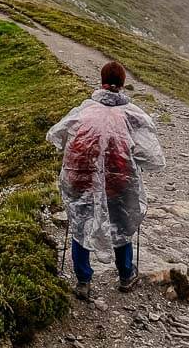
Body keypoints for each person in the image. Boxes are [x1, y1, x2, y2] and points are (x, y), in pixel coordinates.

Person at [46, 60, 165, 299]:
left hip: (81, 178)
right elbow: (154, 158)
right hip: (119, 182)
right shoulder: (133, 114)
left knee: (81, 224)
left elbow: (55, 134)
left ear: (101, 81)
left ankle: (83, 281)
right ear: (122, 84)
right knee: (121, 222)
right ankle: (125, 275)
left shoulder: (85, 109)